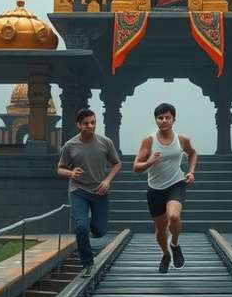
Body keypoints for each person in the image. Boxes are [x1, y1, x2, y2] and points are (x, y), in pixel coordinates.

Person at [133, 103, 197, 273]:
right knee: (161, 229)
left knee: (174, 216)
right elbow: (136, 167)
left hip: (176, 183)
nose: (164, 120)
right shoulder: (149, 140)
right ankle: (165, 254)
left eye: (167, 117)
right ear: (156, 120)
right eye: (160, 118)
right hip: (155, 189)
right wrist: (150, 162)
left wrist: (190, 171)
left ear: (173, 119)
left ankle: (175, 244)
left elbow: (192, 153)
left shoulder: (182, 139)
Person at [57, 109, 121, 276]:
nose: (90, 126)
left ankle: (91, 229)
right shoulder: (70, 146)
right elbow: (60, 169)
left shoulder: (105, 142)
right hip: (79, 190)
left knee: (99, 231)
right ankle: (87, 263)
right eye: (86, 123)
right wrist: (70, 173)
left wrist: (107, 180)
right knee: (81, 226)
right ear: (79, 125)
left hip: (100, 191)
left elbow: (116, 164)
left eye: (93, 122)